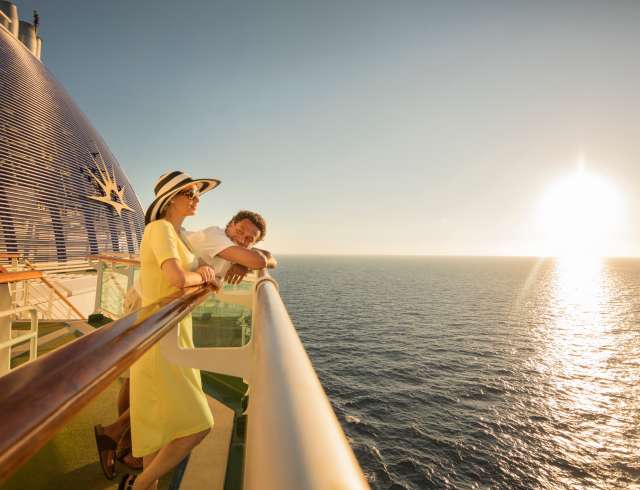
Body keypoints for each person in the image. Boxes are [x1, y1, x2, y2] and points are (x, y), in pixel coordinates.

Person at [120, 170, 221, 490]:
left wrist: (206, 270)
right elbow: (177, 278)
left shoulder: (179, 235)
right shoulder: (159, 228)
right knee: (199, 425)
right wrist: (204, 275)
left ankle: (144, 485)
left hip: (169, 332)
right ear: (169, 200)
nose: (196, 199)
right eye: (189, 193)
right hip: (159, 338)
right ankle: (138, 487)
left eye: (197, 194)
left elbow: (191, 271)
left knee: (156, 431)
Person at [186, 210, 277, 284]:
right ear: (231, 225)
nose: (241, 240)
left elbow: (270, 258)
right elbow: (260, 261)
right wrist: (248, 262)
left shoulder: (240, 248)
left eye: (249, 239)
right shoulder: (215, 235)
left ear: (253, 243)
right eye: (239, 231)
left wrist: (243, 265)